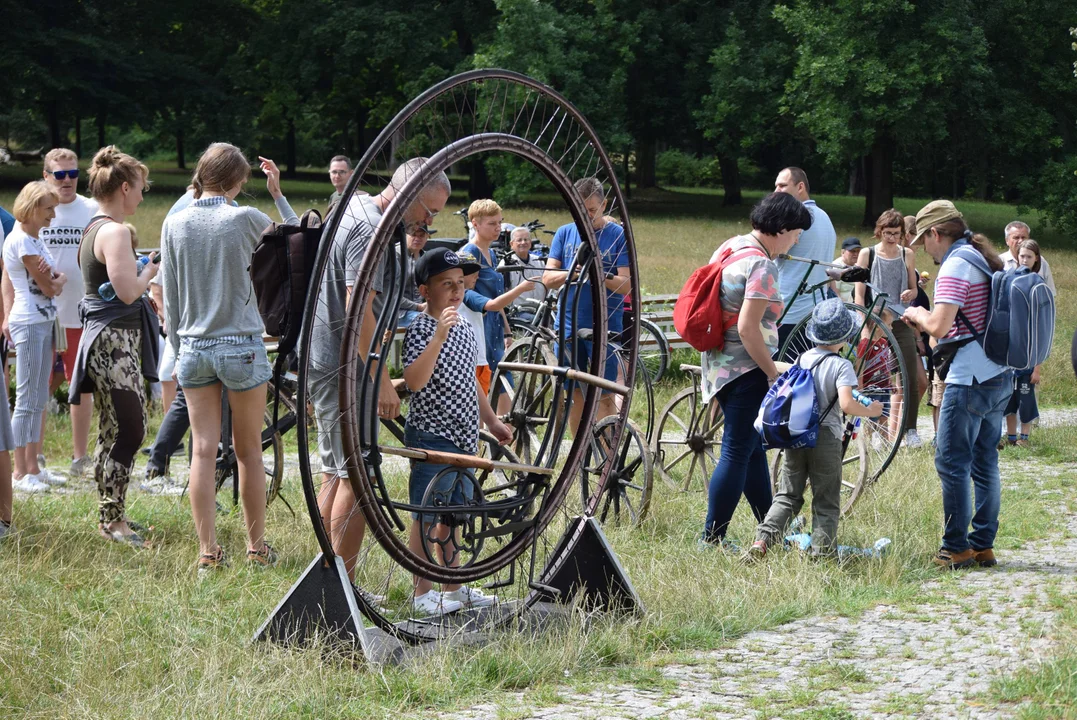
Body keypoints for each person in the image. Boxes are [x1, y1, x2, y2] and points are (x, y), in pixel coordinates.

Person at [308, 158, 448, 579]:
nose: (429, 220)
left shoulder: (360, 208)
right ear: (409, 193)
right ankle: (342, 587)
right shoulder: (371, 228)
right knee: (359, 475)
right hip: (346, 364)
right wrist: (381, 378)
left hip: (329, 358)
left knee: (337, 469)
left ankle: (330, 579)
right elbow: (358, 308)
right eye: (429, 210)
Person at [161, 143, 297, 573]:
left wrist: (179, 350)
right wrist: (277, 194)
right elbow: (300, 241)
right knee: (249, 452)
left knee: (201, 452)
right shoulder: (244, 218)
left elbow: (173, 295)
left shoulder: (174, 223)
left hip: (193, 347)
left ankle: (207, 553)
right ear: (239, 181)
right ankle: (256, 549)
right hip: (240, 344)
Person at [402, 248, 512, 615]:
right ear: (424, 290)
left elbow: (471, 381)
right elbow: (414, 382)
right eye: (446, 284)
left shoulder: (465, 328)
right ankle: (421, 592)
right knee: (426, 514)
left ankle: (454, 585)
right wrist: (437, 337)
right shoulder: (420, 329)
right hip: (432, 436)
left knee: (455, 515)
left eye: (460, 284)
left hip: (464, 436)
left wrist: (492, 421)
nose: (455, 291)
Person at [902, 200, 1010, 570]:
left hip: (969, 378)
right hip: (998, 373)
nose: (924, 250)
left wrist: (917, 313)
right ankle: (983, 545)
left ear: (936, 233)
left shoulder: (956, 266)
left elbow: (940, 326)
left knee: (951, 462)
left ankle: (955, 548)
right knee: (985, 460)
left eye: (924, 240)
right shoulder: (980, 257)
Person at [701, 192, 812, 549]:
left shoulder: (731, 247)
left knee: (751, 450)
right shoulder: (762, 266)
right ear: (781, 229)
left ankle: (771, 529)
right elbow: (750, 328)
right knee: (736, 449)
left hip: (719, 361)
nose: (796, 241)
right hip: (746, 366)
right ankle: (712, 538)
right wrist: (771, 372)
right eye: (796, 233)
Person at [66, 147, 160, 546]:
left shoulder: (93, 228)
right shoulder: (116, 231)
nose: (143, 195)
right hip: (114, 342)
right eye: (141, 187)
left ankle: (111, 516)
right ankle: (114, 520)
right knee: (131, 429)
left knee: (112, 430)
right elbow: (125, 294)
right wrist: (149, 272)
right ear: (125, 188)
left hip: (105, 340)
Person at [749, 299, 883, 559]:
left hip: (796, 436)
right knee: (825, 500)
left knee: (788, 495)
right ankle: (821, 554)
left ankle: (762, 541)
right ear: (844, 336)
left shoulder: (802, 358)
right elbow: (846, 404)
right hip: (825, 439)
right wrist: (871, 411)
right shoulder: (841, 365)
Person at [541, 179, 631, 435]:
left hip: (605, 326)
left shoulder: (617, 236)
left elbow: (626, 286)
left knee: (604, 392)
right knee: (574, 393)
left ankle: (605, 458)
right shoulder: (564, 232)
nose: (586, 216)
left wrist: (599, 275)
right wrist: (571, 272)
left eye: (591, 210)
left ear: (603, 205)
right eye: (580, 210)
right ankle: (578, 455)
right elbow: (548, 278)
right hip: (568, 325)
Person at [2, 182, 67, 493]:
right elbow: (48, 286)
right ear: (31, 208)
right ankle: (18, 471)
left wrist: (58, 279)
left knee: (40, 395)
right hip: (28, 322)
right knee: (27, 399)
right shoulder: (23, 243)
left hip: (44, 321)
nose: (53, 215)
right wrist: (56, 281)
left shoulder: (35, 239)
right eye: (48, 209)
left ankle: (32, 467)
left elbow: (58, 278)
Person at [39, 149, 99, 477]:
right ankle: (35, 455)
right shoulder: (37, 210)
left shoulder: (91, 209)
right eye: (59, 175)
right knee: (40, 384)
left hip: (81, 312)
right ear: (46, 176)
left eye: (72, 174)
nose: (67, 181)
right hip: (45, 313)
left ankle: (80, 458)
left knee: (81, 386)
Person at [854, 209, 922, 449]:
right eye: (887, 233)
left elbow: (914, 289)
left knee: (909, 375)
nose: (892, 238)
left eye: (896, 233)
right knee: (875, 377)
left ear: (903, 234)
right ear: (879, 232)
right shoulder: (867, 254)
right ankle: (875, 429)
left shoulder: (907, 254)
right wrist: (864, 326)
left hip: (901, 319)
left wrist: (911, 293)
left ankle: (910, 429)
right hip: (875, 320)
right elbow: (859, 294)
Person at [458, 249, 537, 396]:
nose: (477, 275)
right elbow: (494, 305)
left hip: (473, 360)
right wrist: (521, 288)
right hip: (475, 362)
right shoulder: (467, 294)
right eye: (471, 271)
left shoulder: (457, 297)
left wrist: (507, 331)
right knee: (476, 410)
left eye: (477, 270)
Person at [773, 167, 836, 347]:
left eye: (782, 186)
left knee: (779, 372)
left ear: (800, 187)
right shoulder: (825, 217)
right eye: (776, 186)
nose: (776, 191)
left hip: (788, 312)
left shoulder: (794, 217)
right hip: (816, 312)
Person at [462, 200, 514, 391]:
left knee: (502, 382)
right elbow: (462, 293)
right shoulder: (469, 252)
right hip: (477, 326)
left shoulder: (491, 253)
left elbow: (497, 296)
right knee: (484, 385)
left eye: (499, 222)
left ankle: (504, 422)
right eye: (492, 223)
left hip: (495, 325)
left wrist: (507, 331)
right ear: (475, 224)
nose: (498, 228)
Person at [1000, 239, 1046, 448]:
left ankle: (1024, 438)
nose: (1025, 260)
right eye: (1022, 256)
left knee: (1026, 397)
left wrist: (1037, 366)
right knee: (1009, 397)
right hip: (1011, 349)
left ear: (1036, 258)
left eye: (1029, 256)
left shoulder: (1038, 284)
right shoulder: (1010, 279)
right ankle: (1010, 437)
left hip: (1029, 352)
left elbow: (1041, 328)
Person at [999, 222, 1056, 295]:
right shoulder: (1000, 262)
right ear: (1007, 240)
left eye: (1023, 237)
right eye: (1016, 238)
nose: (1020, 241)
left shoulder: (1041, 262)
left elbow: (1050, 293)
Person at [500, 226, 545, 304]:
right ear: (511, 244)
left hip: (541, 309)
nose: (523, 243)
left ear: (530, 243)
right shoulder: (506, 264)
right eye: (519, 240)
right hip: (518, 312)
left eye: (526, 239)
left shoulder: (539, 261)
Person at [833, 237, 861, 303]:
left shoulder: (859, 265)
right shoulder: (836, 267)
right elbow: (835, 292)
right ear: (843, 252)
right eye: (852, 251)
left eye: (858, 251)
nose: (856, 254)